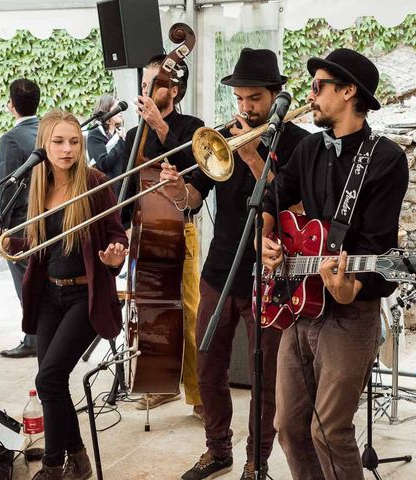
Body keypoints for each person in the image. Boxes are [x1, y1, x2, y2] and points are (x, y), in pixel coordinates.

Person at [159, 47, 309, 480]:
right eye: (240, 98)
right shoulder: (222, 136)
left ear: (276, 95)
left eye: (254, 99)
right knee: (208, 365)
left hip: (270, 276)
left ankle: (256, 462)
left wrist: (252, 157)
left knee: (264, 379)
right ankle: (217, 449)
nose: (245, 108)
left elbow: (297, 205)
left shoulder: (299, 142)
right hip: (219, 271)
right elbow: (194, 197)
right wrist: (175, 189)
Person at [260, 48, 408, 480]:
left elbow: (381, 250)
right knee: (288, 427)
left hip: (349, 310)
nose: (310, 95)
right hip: (299, 303)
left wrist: (351, 288)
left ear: (348, 92)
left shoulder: (384, 158)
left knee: (329, 431)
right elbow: (273, 198)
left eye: (319, 86)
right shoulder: (308, 148)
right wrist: (264, 237)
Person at [0, 109, 128, 480]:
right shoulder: (38, 182)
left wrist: (114, 256)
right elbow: (44, 245)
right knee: (51, 381)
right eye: (58, 141)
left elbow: (118, 236)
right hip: (50, 297)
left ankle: (53, 464)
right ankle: (78, 457)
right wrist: (10, 241)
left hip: (84, 298)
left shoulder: (95, 182)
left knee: (48, 378)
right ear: (44, 145)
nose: (67, 149)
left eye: (74, 141)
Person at [124, 54, 204, 418]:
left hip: (178, 228)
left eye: (152, 85)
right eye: (142, 86)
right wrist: (123, 227)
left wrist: (160, 127)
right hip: (144, 232)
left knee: (189, 311)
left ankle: (200, 394)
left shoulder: (191, 127)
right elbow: (126, 187)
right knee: (151, 313)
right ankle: (159, 384)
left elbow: (193, 166)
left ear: (172, 89)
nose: (145, 92)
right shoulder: (132, 134)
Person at [0, 78, 40, 359]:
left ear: (11, 105)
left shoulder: (11, 139)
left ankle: (33, 338)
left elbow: (7, 186)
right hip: (45, 217)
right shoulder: (46, 131)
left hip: (20, 223)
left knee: (25, 282)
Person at [86, 94, 126, 195]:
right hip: (105, 189)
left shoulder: (120, 131)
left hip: (123, 185)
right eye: (117, 108)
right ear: (106, 110)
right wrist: (121, 142)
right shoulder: (95, 134)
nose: (120, 111)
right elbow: (103, 163)